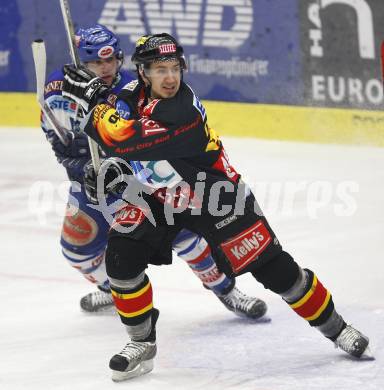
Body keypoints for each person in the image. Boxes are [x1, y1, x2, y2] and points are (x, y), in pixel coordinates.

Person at [61, 33, 372, 382]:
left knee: (277, 271)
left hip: (216, 196)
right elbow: (119, 146)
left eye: (175, 68)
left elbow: (125, 138)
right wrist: (103, 168)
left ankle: (337, 328)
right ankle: (141, 344)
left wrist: (95, 101)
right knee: (121, 260)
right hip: (161, 198)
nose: (170, 77)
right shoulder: (129, 95)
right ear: (143, 73)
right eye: (160, 69)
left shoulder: (183, 109)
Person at [41, 25, 267, 319]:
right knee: (76, 249)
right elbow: (59, 142)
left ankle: (225, 289)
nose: (106, 68)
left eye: (111, 60)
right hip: (91, 186)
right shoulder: (57, 92)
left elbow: (142, 143)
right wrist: (80, 167)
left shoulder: (136, 89)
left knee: (185, 238)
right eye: (97, 62)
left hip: (137, 183)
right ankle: (115, 290)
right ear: (81, 63)